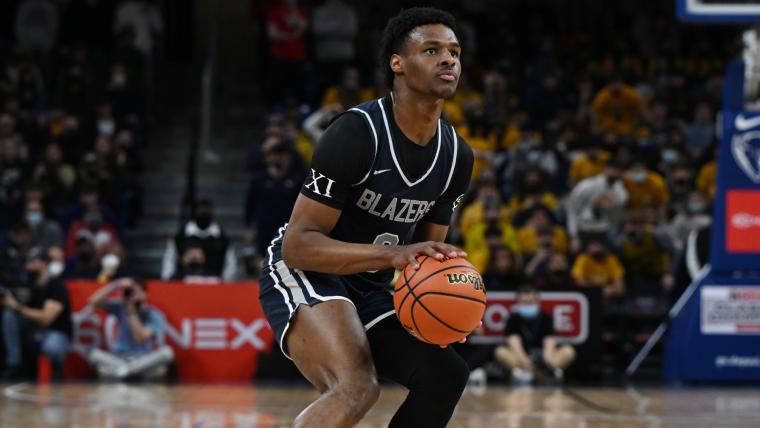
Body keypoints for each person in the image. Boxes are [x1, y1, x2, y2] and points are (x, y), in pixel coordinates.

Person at [258, 8, 474, 427]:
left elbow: (427, 258)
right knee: (356, 386)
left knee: (446, 373)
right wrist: (393, 257)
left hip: (371, 285)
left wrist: (448, 309)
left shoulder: (457, 157)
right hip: (308, 271)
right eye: (432, 50)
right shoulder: (357, 133)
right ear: (398, 63)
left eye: (454, 52)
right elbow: (299, 245)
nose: (449, 60)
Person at [2, 248, 72, 381]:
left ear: (44, 263)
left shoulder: (56, 284)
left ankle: (57, 369)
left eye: (32, 262)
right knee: (8, 316)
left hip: (55, 333)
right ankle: (14, 364)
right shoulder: (28, 285)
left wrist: (17, 307)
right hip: (33, 332)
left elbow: (47, 319)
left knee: (52, 346)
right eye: (26, 262)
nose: (27, 266)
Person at [86, 277, 173, 380]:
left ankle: (124, 372)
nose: (134, 296)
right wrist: (115, 285)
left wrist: (132, 312)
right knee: (93, 354)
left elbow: (140, 337)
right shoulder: (121, 306)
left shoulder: (155, 315)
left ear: (145, 294)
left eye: (138, 292)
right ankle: (129, 371)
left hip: (144, 359)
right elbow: (93, 302)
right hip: (119, 358)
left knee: (167, 353)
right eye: (132, 292)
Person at [494, 286, 575, 382]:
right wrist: (526, 363)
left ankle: (548, 372)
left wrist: (546, 363)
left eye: (531, 302)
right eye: (524, 302)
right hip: (521, 359)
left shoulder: (546, 318)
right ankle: (524, 373)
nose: (528, 305)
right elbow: (515, 344)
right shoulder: (512, 319)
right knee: (500, 352)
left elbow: (549, 343)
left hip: (544, 358)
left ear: (537, 302)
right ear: (518, 303)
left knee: (568, 351)